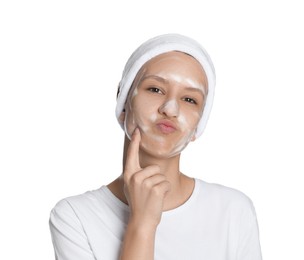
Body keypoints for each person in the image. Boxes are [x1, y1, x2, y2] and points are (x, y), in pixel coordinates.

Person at [49, 34, 263, 260]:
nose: (170, 109)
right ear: (123, 101)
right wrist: (142, 223)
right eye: (155, 89)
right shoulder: (75, 217)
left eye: (189, 99)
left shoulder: (233, 211)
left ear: (198, 125)